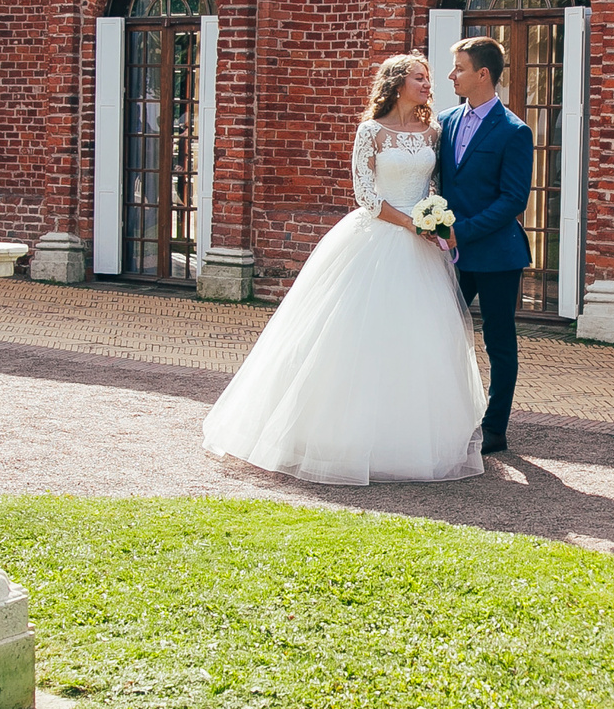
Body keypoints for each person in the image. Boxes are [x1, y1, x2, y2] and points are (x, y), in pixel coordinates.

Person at [201, 54, 487, 485]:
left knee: (416, 339)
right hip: (376, 237)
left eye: (429, 78)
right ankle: (334, 439)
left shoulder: (434, 132)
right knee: (355, 336)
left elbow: (434, 187)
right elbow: (366, 195)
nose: (429, 85)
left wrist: (434, 219)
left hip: (423, 249)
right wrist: (411, 222)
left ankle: (408, 439)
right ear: (396, 83)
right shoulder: (370, 132)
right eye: (420, 78)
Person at [434, 36, 532, 454]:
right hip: (450, 254)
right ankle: (443, 416)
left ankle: (495, 428)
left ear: (483, 74)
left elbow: (513, 200)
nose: (452, 75)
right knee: (437, 332)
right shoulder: (446, 121)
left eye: (459, 68)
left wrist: (464, 230)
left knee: (498, 341)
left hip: (496, 255)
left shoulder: (514, 131)